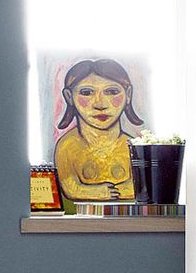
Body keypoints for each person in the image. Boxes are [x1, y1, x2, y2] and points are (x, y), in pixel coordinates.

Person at [53, 56, 144, 204]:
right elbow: (71, 189)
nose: (100, 104)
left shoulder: (132, 147)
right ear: (69, 97)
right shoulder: (67, 146)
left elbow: (142, 188)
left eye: (112, 91)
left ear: (128, 94)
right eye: (87, 92)